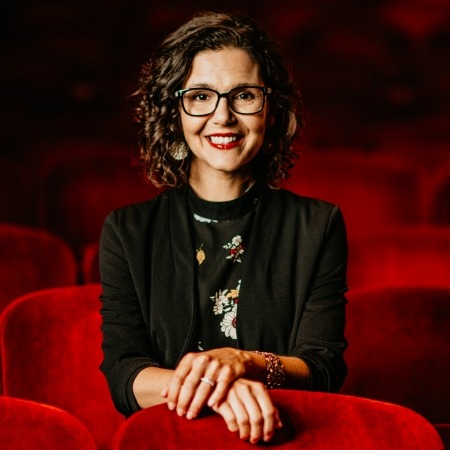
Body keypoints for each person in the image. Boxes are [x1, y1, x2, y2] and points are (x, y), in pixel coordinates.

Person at [99, 11, 348, 445]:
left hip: (283, 439)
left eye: (244, 95)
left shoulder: (317, 225)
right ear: (174, 109)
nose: (223, 116)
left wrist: (244, 362)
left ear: (271, 109)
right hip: (168, 439)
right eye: (200, 96)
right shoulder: (127, 231)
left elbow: (322, 368)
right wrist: (223, 386)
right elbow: (125, 375)